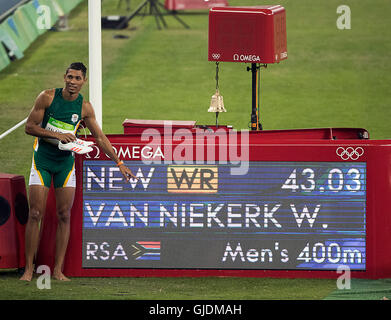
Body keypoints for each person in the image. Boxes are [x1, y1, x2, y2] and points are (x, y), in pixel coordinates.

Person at [20, 62, 136, 281]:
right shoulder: (47, 97)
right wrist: (57, 136)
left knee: (64, 215)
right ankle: (28, 269)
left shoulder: (85, 108)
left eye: (77, 79)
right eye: (70, 77)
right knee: (35, 213)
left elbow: (100, 138)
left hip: (65, 163)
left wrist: (119, 163)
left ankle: (57, 270)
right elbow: (29, 127)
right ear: (64, 77)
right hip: (42, 160)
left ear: (84, 81)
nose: (72, 82)